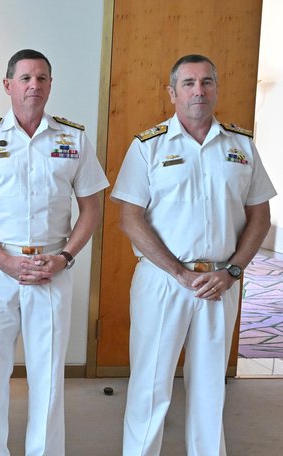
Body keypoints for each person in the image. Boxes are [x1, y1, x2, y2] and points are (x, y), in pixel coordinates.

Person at [0, 49, 109, 456]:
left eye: (41, 78)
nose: (33, 85)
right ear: (7, 85)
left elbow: (92, 207)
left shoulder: (73, 138)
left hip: (53, 266)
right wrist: (4, 261)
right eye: (24, 78)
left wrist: (66, 257)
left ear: (51, 85)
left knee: (49, 375)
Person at [113, 54, 276, 456]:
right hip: (163, 282)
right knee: (150, 387)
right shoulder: (147, 146)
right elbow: (129, 219)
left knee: (209, 389)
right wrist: (179, 273)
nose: (198, 91)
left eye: (206, 82)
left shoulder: (241, 146)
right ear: (172, 93)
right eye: (188, 83)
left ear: (216, 89)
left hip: (221, 283)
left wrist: (234, 271)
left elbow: (260, 217)